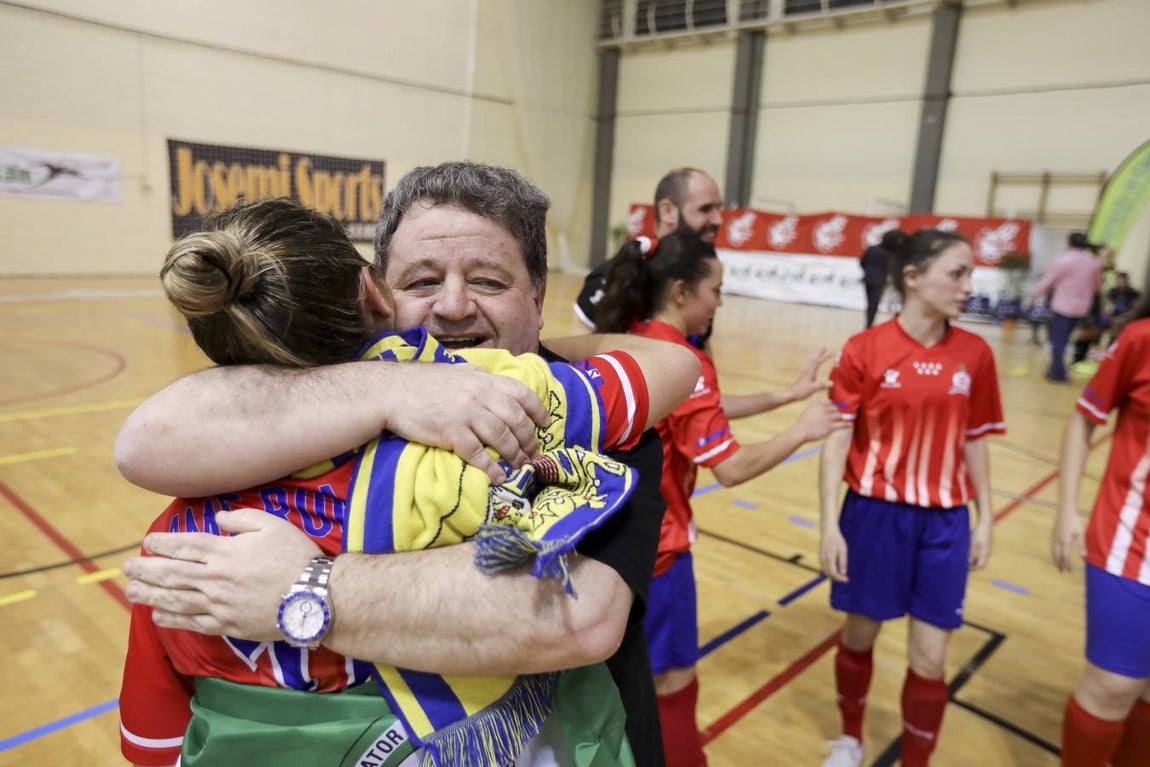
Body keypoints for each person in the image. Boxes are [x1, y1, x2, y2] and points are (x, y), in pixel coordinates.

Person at [117, 162, 677, 766]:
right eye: (422, 281)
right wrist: (392, 389)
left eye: (489, 281)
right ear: (377, 294)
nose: (455, 306)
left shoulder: (571, 412)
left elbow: (573, 617)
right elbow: (142, 441)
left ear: (538, 298)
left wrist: (302, 590)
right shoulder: (262, 435)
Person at [594, 232, 847, 767]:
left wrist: (784, 396)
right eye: (717, 289)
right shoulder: (683, 358)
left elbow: (698, 409)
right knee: (674, 687)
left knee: (625, 691)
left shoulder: (634, 339)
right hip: (661, 557)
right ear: (683, 292)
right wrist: (801, 431)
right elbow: (731, 468)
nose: (721, 302)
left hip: (609, 544)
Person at [818, 229, 1005, 767]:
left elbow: (975, 440)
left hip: (945, 525)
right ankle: (851, 739)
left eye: (971, 274)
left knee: (930, 657)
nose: (970, 286)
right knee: (860, 635)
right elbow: (838, 438)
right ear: (914, 279)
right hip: (873, 516)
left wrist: (985, 517)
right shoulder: (865, 350)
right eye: (958, 273)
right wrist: (830, 523)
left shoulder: (976, 353)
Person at [1051, 287, 1150, 767]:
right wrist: (1067, 508)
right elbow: (1084, 419)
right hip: (1129, 543)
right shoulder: (1140, 339)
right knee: (1114, 684)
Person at [574, 168, 722, 351]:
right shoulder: (611, 277)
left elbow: (701, 347)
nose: (718, 219)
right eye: (706, 209)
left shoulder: (700, 279)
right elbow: (578, 362)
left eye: (718, 208)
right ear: (667, 211)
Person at [1030, 232, 1103, 383]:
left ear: (1069, 243)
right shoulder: (1093, 263)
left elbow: (1047, 281)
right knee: (1064, 339)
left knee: (1058, 340)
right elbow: (1097, 287)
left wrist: (1034, 297)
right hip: (1082, 308)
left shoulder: (1063, 260)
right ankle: (1053, 370)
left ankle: (1059, 373)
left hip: (1062, 306)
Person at [860, 229, 906, 329]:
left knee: (869, 303)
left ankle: (868, 323)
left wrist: (868, 272)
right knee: (874, 303)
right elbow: (890, 268)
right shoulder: (888, 254)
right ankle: (869, 325)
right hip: (879, 280)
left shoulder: (871, 249)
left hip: (868, 279)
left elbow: (862, 262)